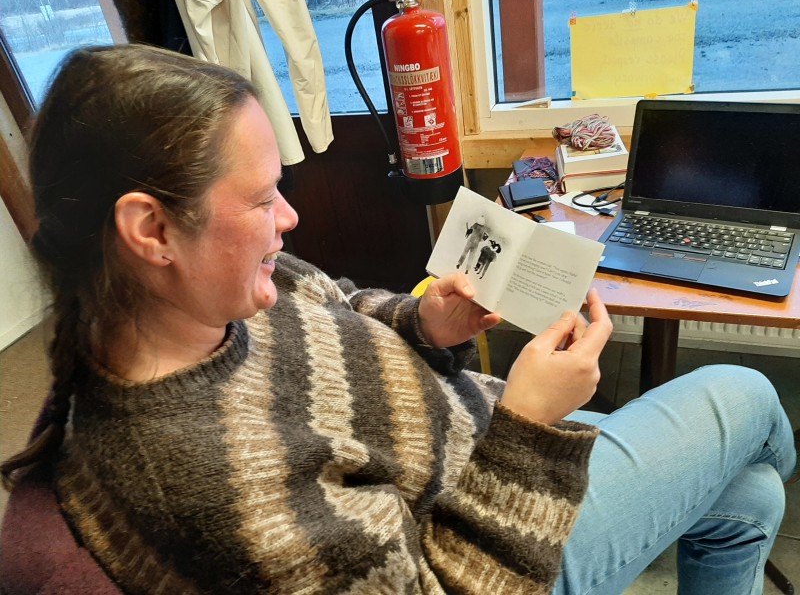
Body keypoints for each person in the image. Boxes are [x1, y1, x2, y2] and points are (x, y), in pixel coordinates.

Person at [1, 44, 795, 595]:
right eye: (261, 198)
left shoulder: (219, 297)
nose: (288, 218)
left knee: (752, 498)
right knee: (746, 395)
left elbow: (338, 306)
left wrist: (424, 323)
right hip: (502, 537)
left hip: (473, 440)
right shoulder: (213, 485)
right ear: (151, 230)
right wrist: (529, 429)